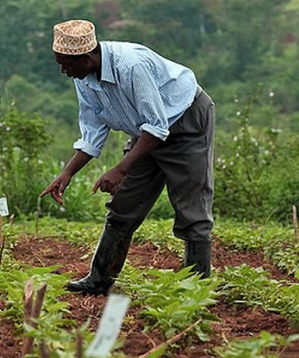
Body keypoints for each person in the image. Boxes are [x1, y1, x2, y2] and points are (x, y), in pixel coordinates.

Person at [40, 20, 215, 295]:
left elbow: (158, 126)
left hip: (185, 121)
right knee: (123, 205)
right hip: (145, 132)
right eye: (59, 63)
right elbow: (93, 132)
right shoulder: (84, 78)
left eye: (66, 64)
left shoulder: (131, 66)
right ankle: (99, 279)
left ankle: (198, 288)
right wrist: (67, 173)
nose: (64, 71)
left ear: (86, 57)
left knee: (191, 206)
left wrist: (120, 169)